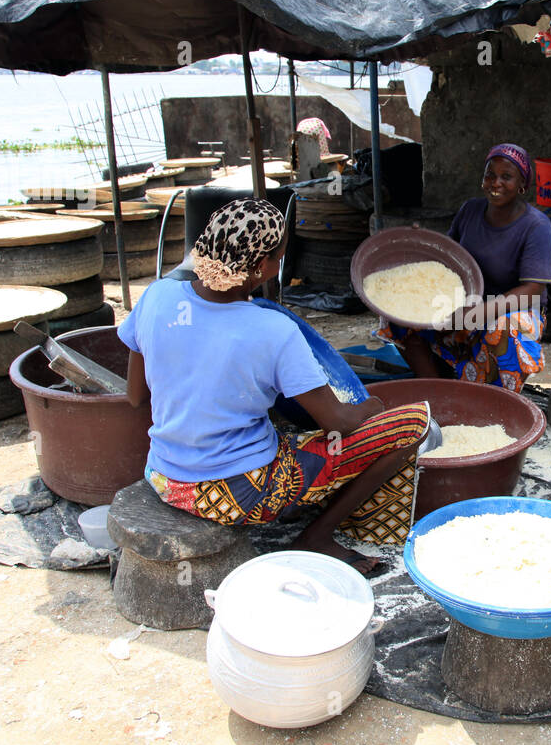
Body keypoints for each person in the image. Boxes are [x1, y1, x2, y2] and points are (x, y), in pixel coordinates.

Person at [118, 198, 427, 574]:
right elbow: (338, 424)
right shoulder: (275, 332)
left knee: (274, 425)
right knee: (412, 425)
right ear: (264, 266)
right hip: (240, 493)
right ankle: (317, 537)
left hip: (165, 476)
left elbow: (136, 397)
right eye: (279, 257)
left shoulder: (156, 295)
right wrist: (371, 406)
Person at [387, 143, 551, 393]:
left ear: (522, 185)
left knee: (502, 331)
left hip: (513, 309)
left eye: (506, 177)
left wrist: (479, 313)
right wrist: (420, 243)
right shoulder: (470, 210)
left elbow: (532, 289)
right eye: (490, 174)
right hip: (466, 301)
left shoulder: (536, 227)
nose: (495, 183)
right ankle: (437, 391)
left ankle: (496, 400)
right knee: (399, 308)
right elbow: (447, 259)